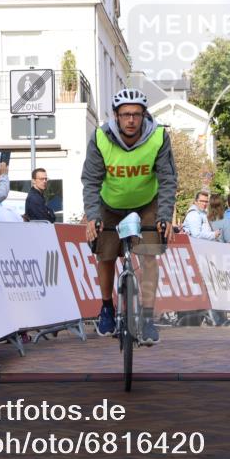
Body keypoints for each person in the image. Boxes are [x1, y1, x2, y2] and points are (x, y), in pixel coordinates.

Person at [82, 88, 177, 345]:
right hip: (110, 203)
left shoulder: (158, 136)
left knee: (148, 253)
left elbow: (168, 179)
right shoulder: (101, 137)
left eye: (136, 114)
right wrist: (92, 216)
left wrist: (165, 216)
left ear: (144, 115)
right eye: (125, 115)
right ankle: (106, 308)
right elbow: (91, 180)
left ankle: (147, 318)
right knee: (106, 252)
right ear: (116, 116)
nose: (131, 120)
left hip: (147, 202)